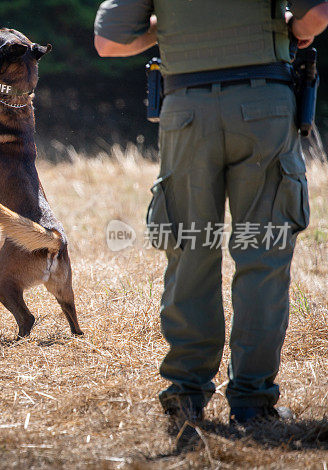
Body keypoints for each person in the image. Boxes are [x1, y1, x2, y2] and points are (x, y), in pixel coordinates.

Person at [94, 1, 328, 426]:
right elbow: (317, 16)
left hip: (186, 110)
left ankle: (186, 393)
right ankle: (253, 402)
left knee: (189, 252)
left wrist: (166, 29)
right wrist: (294, 28)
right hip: (264, 107)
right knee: (263, 255)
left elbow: (109, 42)